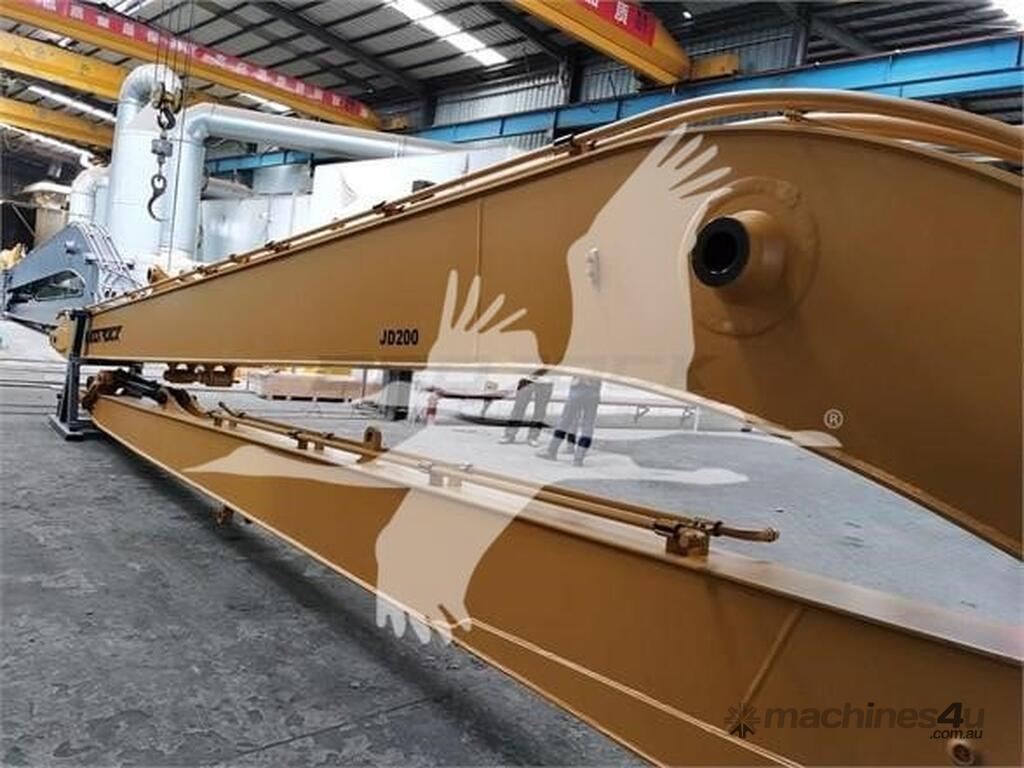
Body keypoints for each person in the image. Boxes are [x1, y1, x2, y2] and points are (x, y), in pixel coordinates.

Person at [537, 375, 602, 466]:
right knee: (588, 426)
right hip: (594, 391)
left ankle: (552, 451)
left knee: (565, 421)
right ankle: (578, 458)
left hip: (579, 388)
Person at [497, 370, 552, 447]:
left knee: (540, 411)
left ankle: (533, 437)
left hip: (546, 382)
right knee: (518, 408)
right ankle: (509, 434)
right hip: (527, 379)